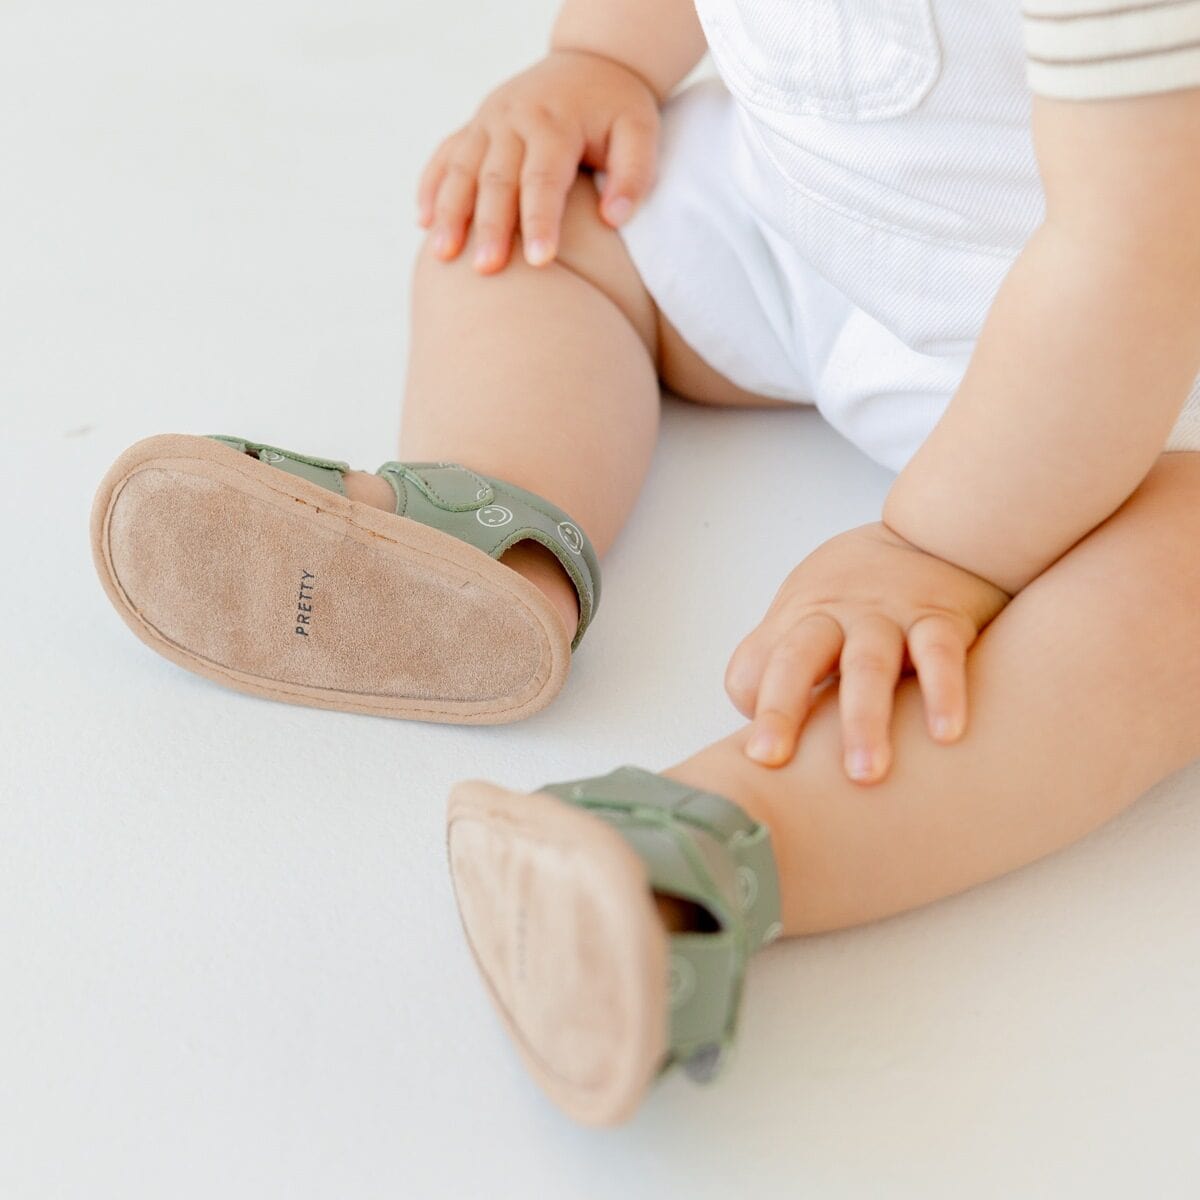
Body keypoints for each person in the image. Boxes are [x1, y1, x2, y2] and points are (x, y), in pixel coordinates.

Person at [91, 0, 1200, 1125]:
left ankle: (702, 859)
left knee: (1176, 595)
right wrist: (601, 62)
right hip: (796, 210)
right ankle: (476, 539)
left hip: (1130, 355)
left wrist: (942, 547)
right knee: (529, 215)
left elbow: (1138, 248)